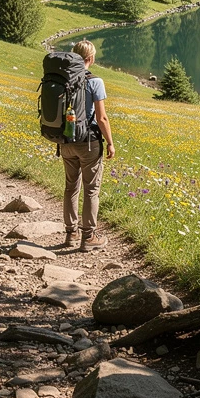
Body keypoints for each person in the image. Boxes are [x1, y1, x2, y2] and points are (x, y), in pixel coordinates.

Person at [60, 39, 115, 251]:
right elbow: (102, 118)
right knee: (91, 190)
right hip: (89, 143)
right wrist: (110, 143)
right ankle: (89, 237)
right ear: (90, 58)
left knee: (70, 188)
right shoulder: (95, 81)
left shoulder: (63, 79)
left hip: (66, 141)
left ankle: (70, 233)